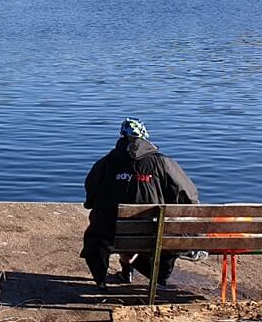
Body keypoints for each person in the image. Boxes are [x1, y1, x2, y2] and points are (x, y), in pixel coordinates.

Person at [81, 118, 198, 290]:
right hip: (152, 231)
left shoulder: (106, 162)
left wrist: (94, 202)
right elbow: (188, 194)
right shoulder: (162, 163)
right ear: (145, 136)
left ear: (121, 136)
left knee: (97, 235)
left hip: (109, 230)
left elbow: (90, 190)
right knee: (163, 235)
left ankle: (101, 280)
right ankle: (157, 275)